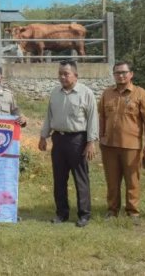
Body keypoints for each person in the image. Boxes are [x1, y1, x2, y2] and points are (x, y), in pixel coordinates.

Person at [39, 60, 98, 227]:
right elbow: (49, 116)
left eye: (66, 74)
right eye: (60, 74)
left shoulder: (86, 93)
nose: (62, 77)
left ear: (75, 75)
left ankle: (84, 214)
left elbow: (93, 118)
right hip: (58, 139)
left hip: (78, 140)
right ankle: (61, 213)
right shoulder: (55, 93)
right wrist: (43, 136)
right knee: (59, 179)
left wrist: (91, 141)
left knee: (81, 179)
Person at [98, 61, 145, 220]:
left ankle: (133, 211)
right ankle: (112, 210)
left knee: (132, 180)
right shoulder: (107, 93)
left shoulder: (141, 94)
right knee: (112, 180)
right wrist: (101, 136)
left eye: (123, 72)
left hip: (131, 146)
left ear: (131, 74)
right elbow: (102, 116)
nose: (120, 75)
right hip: (109, 146)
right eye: (117, 73)